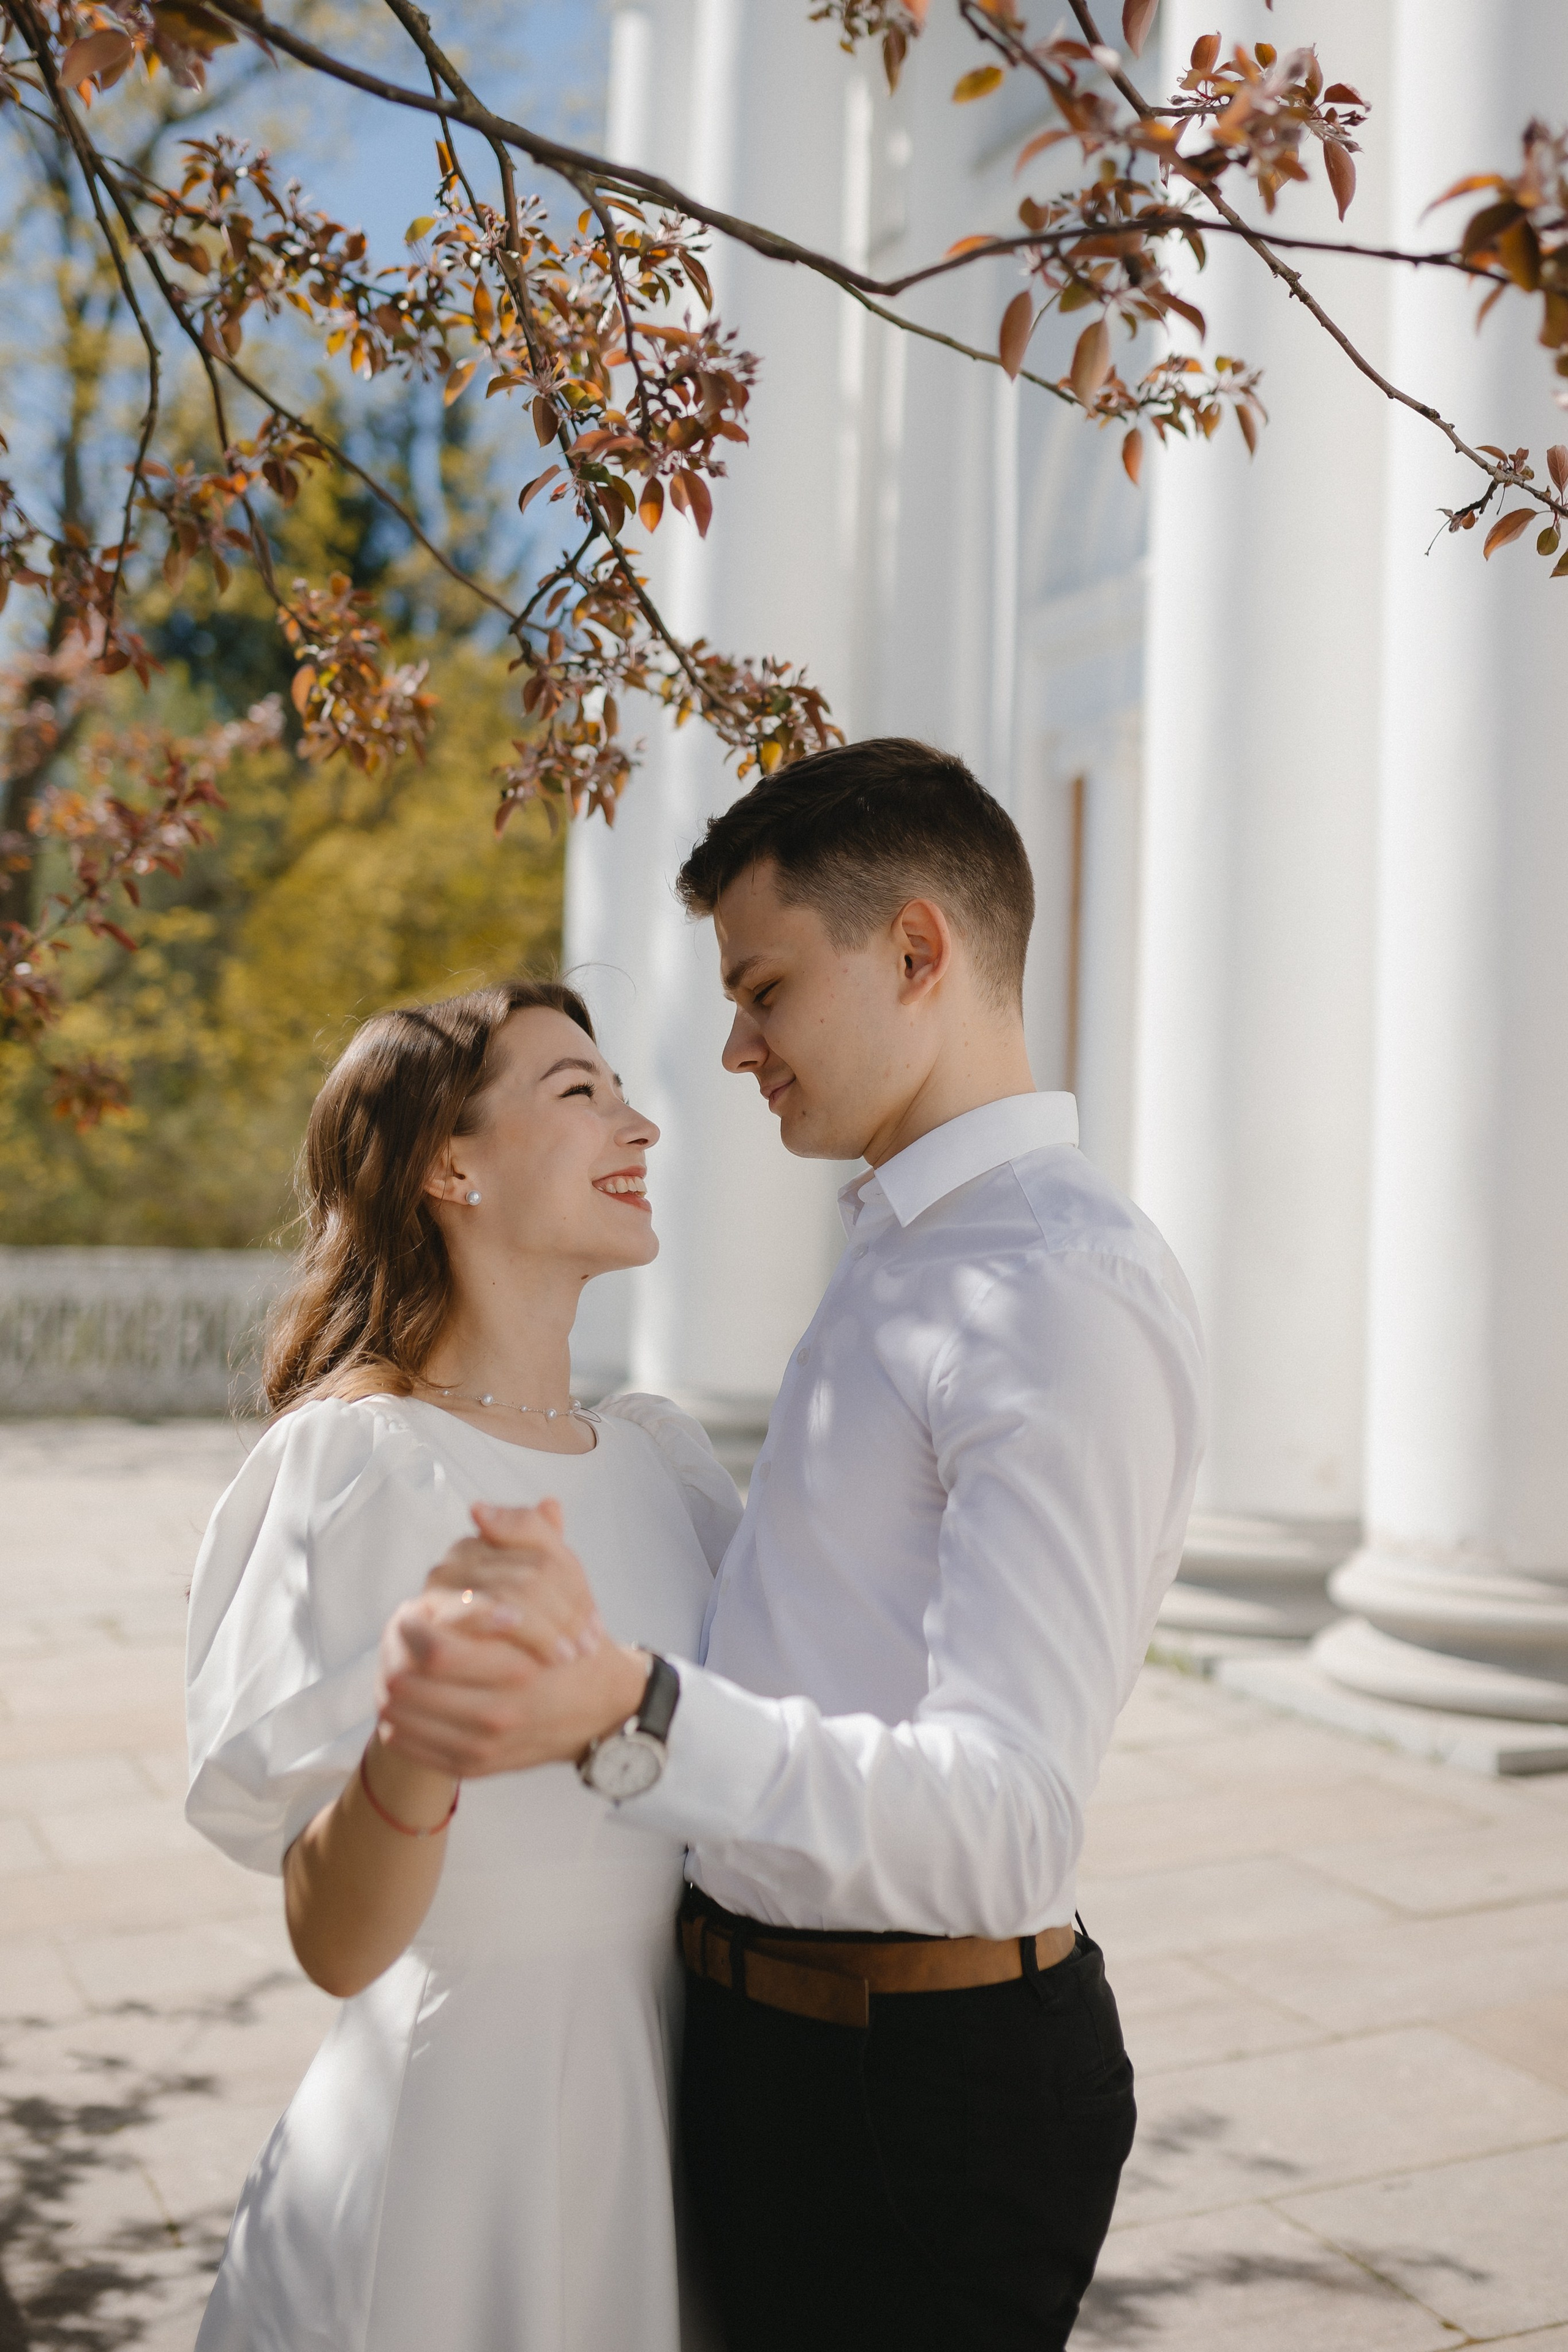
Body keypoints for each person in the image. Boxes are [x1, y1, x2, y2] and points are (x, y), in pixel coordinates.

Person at [379, 739, 1209, 2352]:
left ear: (915, 950)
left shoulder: (1049, 1286)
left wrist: (635, 1713)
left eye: (764, 989)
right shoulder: (912, 1242)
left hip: (912, 2097)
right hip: (785, 2051)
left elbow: (1006, 1821)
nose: (734, 1048)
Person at [183, 977, 741, 2352]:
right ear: (449, 1164)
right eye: (581, 1093)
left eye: (624, 1093)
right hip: (444, 2148)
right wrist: (417, 1734)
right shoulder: (360, 1463)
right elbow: (335, 1943)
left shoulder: (666, 1468)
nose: (641, 1127)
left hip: (663, 2118)